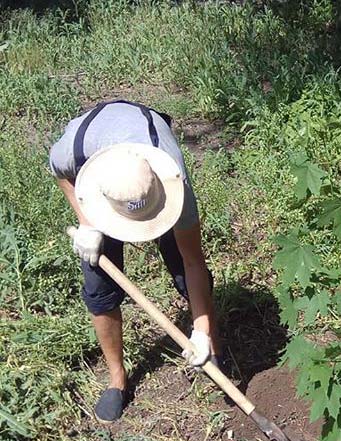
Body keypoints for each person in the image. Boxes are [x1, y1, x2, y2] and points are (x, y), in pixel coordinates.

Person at [49, 100, 221, 423]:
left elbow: (194, 261)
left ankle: (213, 347)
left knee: (186, 273)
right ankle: (117, 379)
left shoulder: (173, 180)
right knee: (99, 289)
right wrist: (85, 221)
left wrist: (200, 331)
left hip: (151, 178)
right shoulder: (73, 148)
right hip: (103, 197)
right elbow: (58, 171)